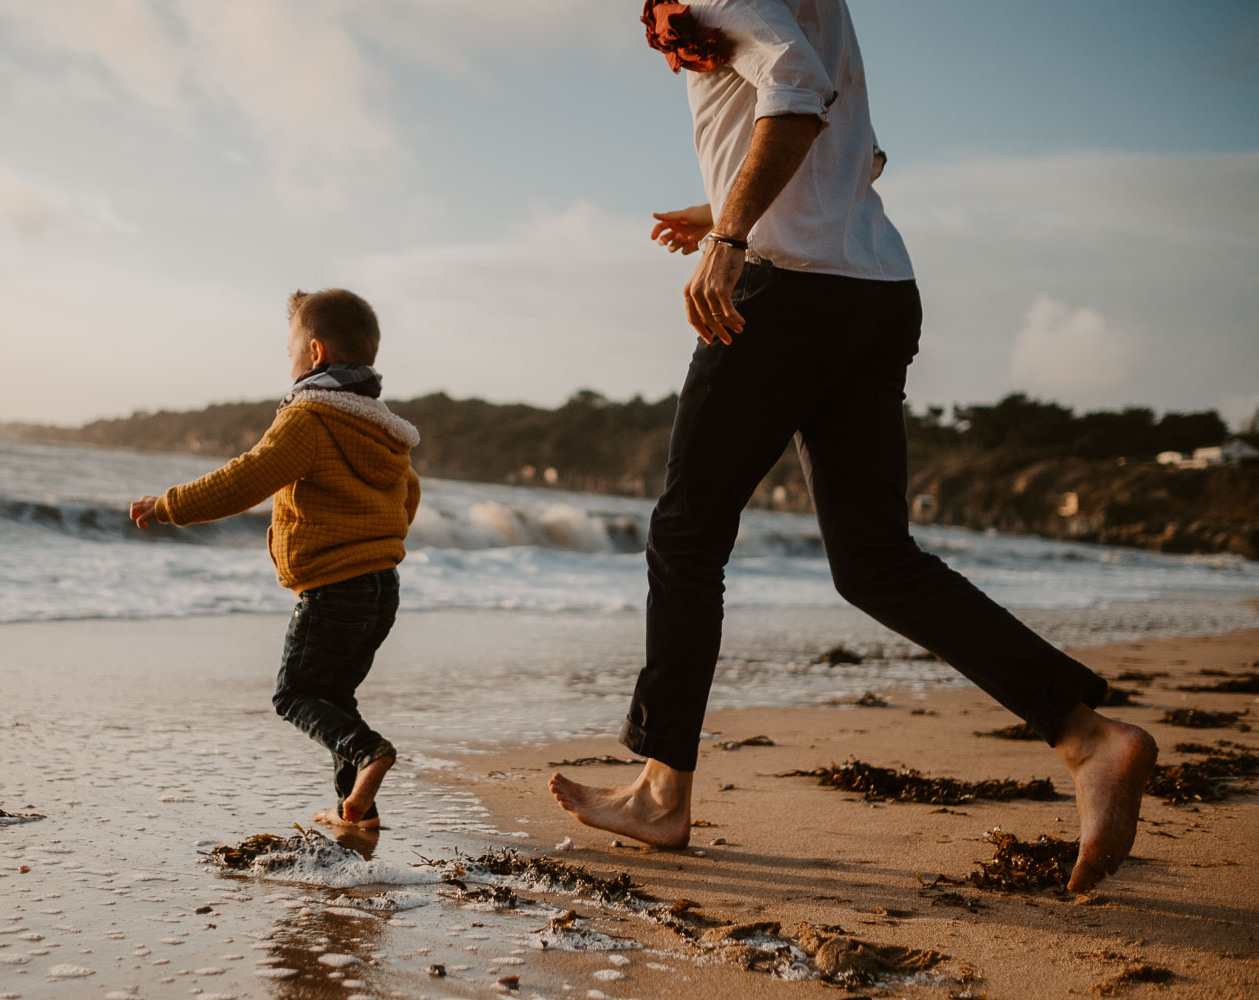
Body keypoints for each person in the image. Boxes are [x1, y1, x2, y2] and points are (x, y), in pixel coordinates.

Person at [549, 0, 1157, 893]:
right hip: (874, 288)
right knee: (874, 561)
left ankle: (661, 789)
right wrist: (721, 200)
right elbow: (859, 153)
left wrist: (729, 235)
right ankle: (1089, 738)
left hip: (790, 292)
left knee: (688, 534)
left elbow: (795, 86)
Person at [131, 288, 420, 830]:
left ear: (314, 354)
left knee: (295, 695)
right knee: (334, 695)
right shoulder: (382, 429)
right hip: (382, 588)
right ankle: (357, 811)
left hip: (333, 589)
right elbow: (410, 494)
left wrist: (167, 505)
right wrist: (379, 538)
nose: (288, 361)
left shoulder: (310, 419)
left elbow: (244, 478)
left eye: (290, 349)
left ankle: (370, 752)